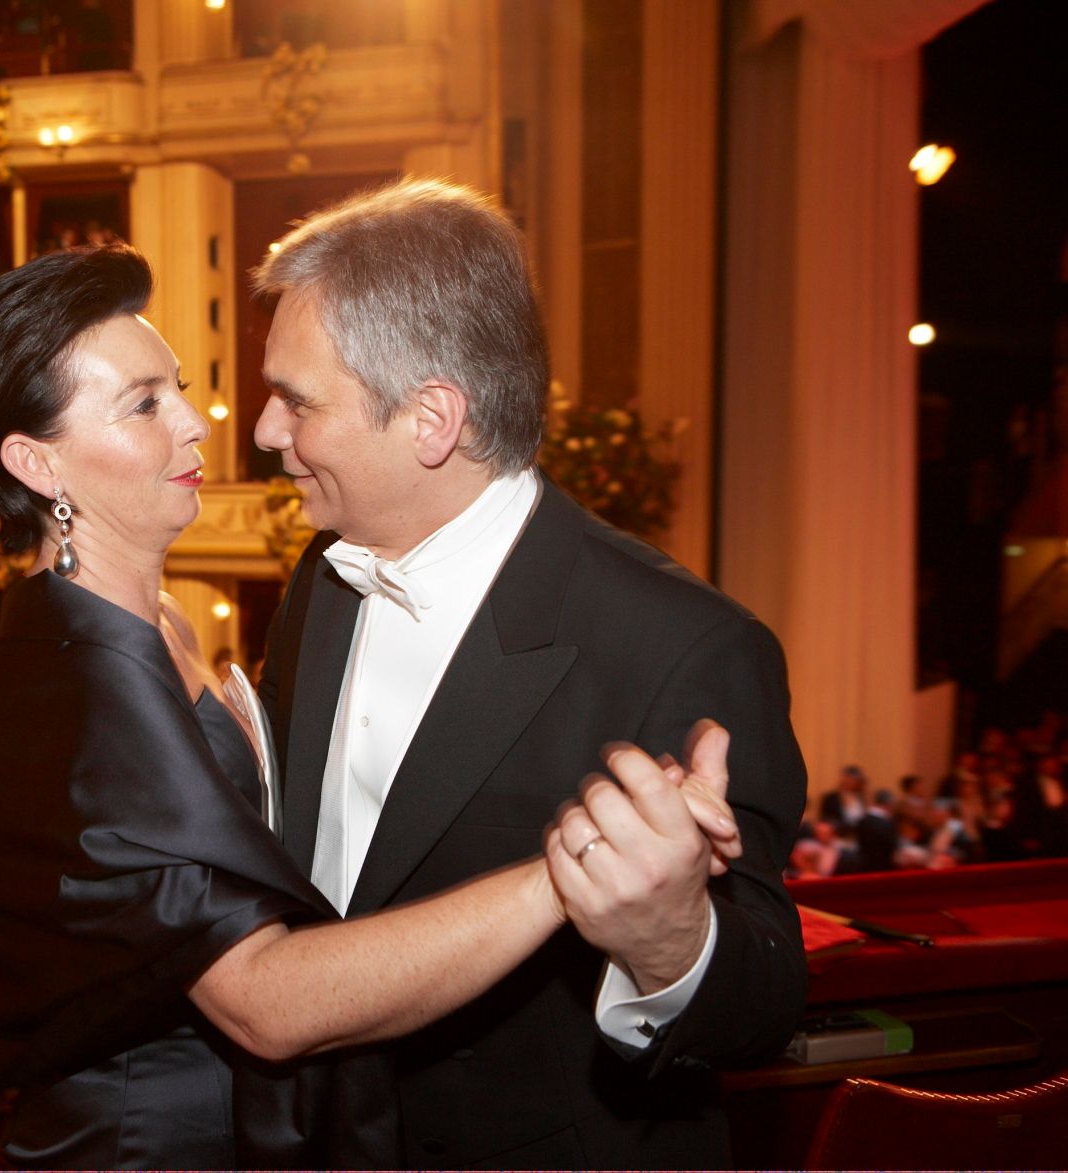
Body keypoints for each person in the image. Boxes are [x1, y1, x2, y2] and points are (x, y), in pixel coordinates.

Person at [0, 245, 740, 1167]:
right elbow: (264, 1002)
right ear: (37, 463)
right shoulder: (81, 676)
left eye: (179, 387)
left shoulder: (161, 621)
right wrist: (573, 869)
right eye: (145, 404)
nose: (202, 422)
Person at [249, 178, 808, 1166]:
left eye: (295, 400)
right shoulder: (320, 581)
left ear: (430, 420)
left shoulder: (685, 646)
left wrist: (669, 941)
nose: (263, 431)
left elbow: (759, 997)